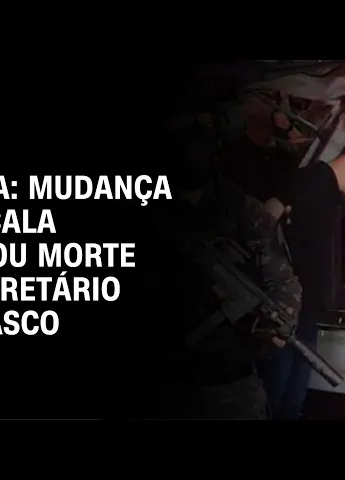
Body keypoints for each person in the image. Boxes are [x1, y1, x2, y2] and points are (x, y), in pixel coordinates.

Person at [140, 112, 302, 419]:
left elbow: (283, 280)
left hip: (229, 381)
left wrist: (280, 320)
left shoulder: (243, 210)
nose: (192, 152)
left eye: (200, 141)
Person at [256, 129, 345, 420]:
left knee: (293, 398)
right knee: (273, 396)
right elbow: (260, 231)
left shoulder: (332, 195)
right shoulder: (305, 182)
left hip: (306, 311)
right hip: (284, 309)